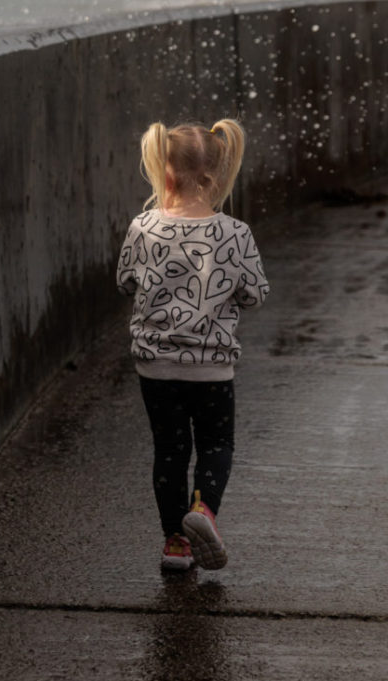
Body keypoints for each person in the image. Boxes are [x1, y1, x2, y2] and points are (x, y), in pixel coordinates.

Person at [116, 119, 269, 572]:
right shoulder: (236, 234)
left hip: (156, 367)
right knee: (217, 445)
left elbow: (125, 282)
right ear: (219, 175)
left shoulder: (143, 227)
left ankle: (175, 546)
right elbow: (255, 294)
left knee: (169, 451)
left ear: (163, 171)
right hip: (211, 369)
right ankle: (203, 512)